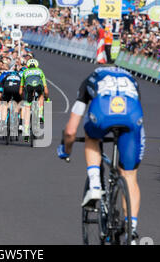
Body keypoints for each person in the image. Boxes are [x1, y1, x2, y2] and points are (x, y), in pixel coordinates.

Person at [57, 66, 144, 244]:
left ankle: (95, 183)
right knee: (130, 176)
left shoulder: (91, 79)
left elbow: (71, 130)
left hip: (102, 112)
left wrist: (66, 150)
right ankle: (131, 232)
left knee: (91, 136)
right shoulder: (132, 80)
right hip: (132, 114)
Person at [19, 58, 49, 141]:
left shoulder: (25, 72)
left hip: (28, 88)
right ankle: (39, 113)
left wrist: (22, 97)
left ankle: (26, 131)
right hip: (38, 86)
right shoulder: (40, 71)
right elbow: (45, 88)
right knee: (41, 96)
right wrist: (46, 97)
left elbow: (21, 90)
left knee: (27, 108)